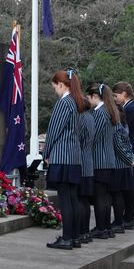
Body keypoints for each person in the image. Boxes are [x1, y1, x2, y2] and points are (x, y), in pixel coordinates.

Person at [44, 70, 85, 250]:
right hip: (74, 157)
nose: (55, 91)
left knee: (65, 199)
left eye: (55, 87)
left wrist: (46, 152)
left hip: (62, 157)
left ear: (61, 84)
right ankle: (74, 237)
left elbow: (54, 130)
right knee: (73, 198)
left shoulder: (64, 103)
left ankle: (67, 237)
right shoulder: (77, 103)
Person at [85, 83, 119, 239]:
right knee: (105, 196)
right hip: (108, 160)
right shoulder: (109, 111)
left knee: (100, 196)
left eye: (88, 97)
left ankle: (101, 227)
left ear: (94, 97)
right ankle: (106, 227)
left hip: (99, 160)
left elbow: (93, 136)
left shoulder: (99, 113)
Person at [113, 82, 134, 209]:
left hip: (129, 147)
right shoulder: (130, 106)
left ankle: (129, 215)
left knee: (129, 186)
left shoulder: (130, 108)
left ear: (124, 94)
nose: (115, 99)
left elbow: (125, 130)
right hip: (130, 147)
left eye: (116, 95)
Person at [114, 105, 134, 230]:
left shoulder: (117, 126)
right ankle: (126, 218)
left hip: (119, 164)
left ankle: (119, 221)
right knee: (124, 194)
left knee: (119, 194)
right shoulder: (124, 125)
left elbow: (119, 146)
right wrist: (131, 159)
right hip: (126, 164)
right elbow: (128, 145)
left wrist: (129, 160)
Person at [77, 95, 96, 243]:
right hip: (89, 162)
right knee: (85, 201)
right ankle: (85, 231)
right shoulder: (91, 117)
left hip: (81, 161)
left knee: (79, 200)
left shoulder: (81, 118)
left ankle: (81, 231)